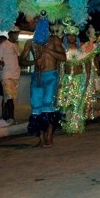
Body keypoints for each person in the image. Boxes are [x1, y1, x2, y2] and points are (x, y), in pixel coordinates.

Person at [19, 15, 67, 147]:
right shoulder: (30, 42)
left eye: (35, 21)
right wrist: (34, 61)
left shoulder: (54, 40)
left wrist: (48, 50)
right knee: (36, 107)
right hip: (37, 77)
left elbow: (63, 57)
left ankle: (50, 136)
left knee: (48, 105)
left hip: (51, 76)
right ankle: (41, 138)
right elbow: (21, 61)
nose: (31, 24)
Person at [0, 26, 21, 125]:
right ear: (10, 34)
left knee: (10, 99)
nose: (17, 35)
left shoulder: (15, 45)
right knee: (9, 98)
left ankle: (6, 117)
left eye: (18, 33)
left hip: (15, 76)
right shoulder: (3, 45)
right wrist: (1, 63)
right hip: (7, 76)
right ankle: (11, 118)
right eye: (15, 33)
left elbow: (17, 60)